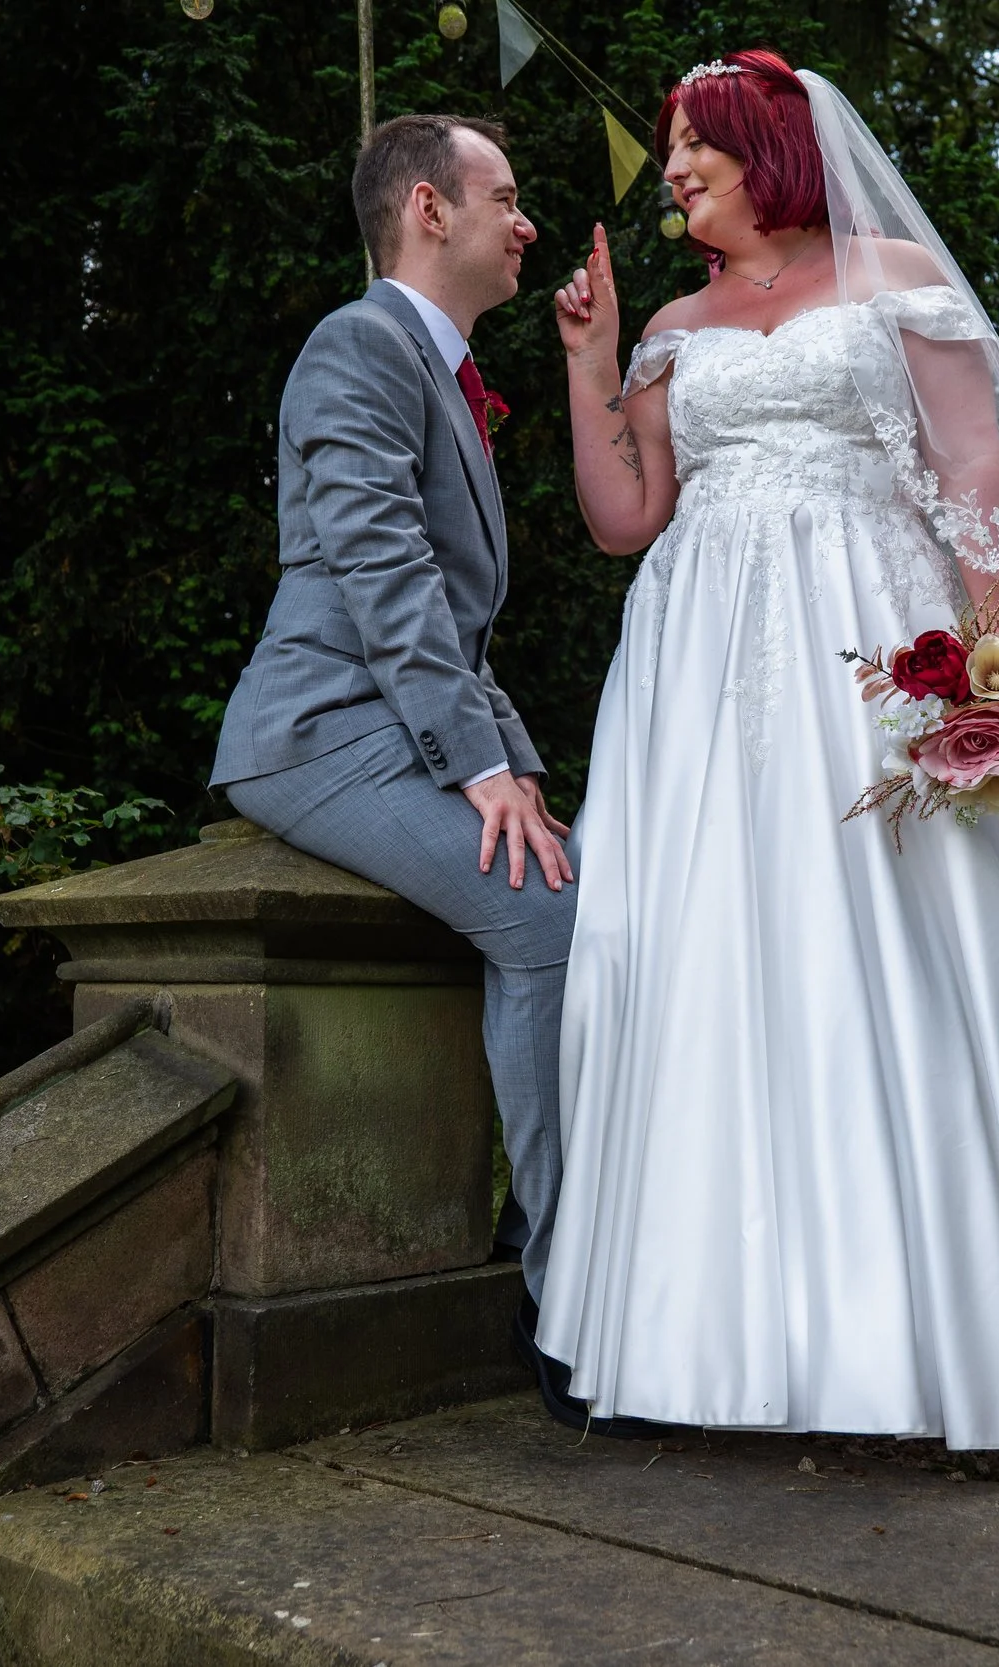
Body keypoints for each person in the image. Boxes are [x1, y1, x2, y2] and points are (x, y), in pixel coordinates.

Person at [537, 50, 999, 1449]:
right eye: (671, 148)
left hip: (865, 654)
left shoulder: (895, 282)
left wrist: (992, 675)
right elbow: (624, 517)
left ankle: (968, 1333)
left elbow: (977, 488)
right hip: (695, 681)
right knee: (708, 959)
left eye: (697, 145)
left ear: (775, 151)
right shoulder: (676, 327)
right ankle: (715, 1343)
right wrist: (590, 369)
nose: (675, 169)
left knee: (905, 944)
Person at [210, 114, 625, 1430]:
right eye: (506, 196)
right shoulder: (359, 345)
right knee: (548, 917)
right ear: (429, 211)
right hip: (321, 729)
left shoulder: (441, 373)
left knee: (596, 883)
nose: (529, 223)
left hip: (397, 719)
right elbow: (387, 583)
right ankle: (565, 1299)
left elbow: (455, 618)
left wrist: (520, 771)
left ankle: (533, 1214)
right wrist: (474, 766)